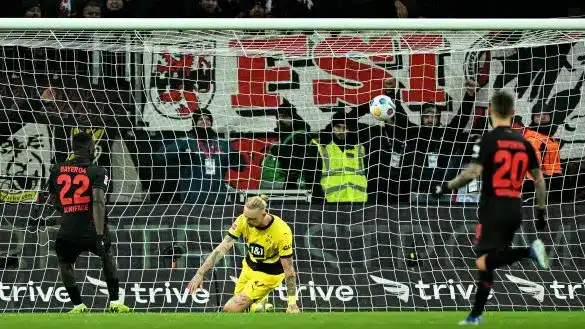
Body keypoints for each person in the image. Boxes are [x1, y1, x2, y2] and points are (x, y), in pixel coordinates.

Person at [432, 90, 549, 325]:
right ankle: (475, 315)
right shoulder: (525, 144)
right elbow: (539, 179)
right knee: (488, 261)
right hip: (515, 207)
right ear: (513, 112)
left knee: (483, 261)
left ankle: (529, 252)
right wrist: (541, 211)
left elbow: (473, 172)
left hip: (493, 206)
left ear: (490, 112)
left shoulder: (489, 139)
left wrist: (445, 188)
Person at [47, 132, 130, 313]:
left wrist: (67, 211)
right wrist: (100, 234)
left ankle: (78, 305)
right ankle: (115, 302)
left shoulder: (56, 169)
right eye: (92, 145)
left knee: (64, 262)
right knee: (107, 256)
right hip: (93, 226)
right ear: (89, 148)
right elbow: (99, 202)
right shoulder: (98, 171)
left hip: (68, 227)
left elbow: (53, 198)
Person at [187, 195, 300, 313]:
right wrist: (200, 273)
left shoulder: (282, 232)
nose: (248, 222)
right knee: (242, 312)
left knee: (230, 309)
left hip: (269, 274)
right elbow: (222, 248)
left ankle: (260, 301)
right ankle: (259, 304)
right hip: (248, 267)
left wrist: (292, 303)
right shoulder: (243, 220)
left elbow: (288, 268)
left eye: (252, 219)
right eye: (246, 217)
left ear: (263, 214)